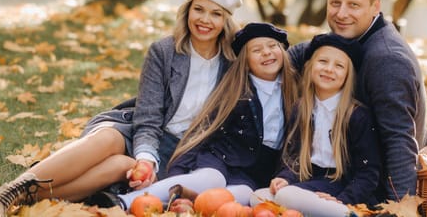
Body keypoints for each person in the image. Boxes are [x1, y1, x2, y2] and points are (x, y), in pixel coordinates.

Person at [0, 0, 243, 217]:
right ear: (187, 10)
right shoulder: (164, 51)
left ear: (226, 20)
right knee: (108, 137)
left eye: (216, 13)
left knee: (120, 165)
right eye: (199, 9)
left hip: (178, 151)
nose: (205, 20)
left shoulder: (233, 64)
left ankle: (11, 198)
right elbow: (148, 115)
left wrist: (149, 163)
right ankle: (11, 191)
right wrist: (145, 155)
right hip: (141, 129)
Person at [87, 22, 299, 209]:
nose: (267, 53)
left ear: (283, 51)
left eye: (273, 46)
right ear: (245, 60)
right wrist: (177, 170)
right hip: (220, 158)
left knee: (244, 196)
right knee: (211, 178)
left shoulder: (295, 92)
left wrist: (286, 176)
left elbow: (297, 147)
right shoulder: (236, 92)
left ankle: (181, 202)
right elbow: (205, 130)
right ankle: (126, 201)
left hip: (254, 172)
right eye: (257, 50)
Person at [289, 0, 427, 201]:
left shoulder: (387, 60)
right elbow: (293, 56)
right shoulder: (348, 38)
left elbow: (399, 139)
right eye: (335, 3)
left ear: (375, 6)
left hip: (369, 186)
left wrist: (400, 208)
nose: (341, 14)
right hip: (332, 174)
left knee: (280, 199)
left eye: (353, 5)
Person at [251, 33, 381, 217]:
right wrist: (285, 178)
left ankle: (344, 213)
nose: (329, 69)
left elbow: (368, 172)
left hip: (342, 185)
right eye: (323, 61)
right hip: (310, 182)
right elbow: (293, 157)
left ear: (348, 75)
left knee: (287, 196)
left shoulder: (356, 116)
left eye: (339, 66)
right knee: (258, 197)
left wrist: (345, 198)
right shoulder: (301, 109)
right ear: (309, 67)